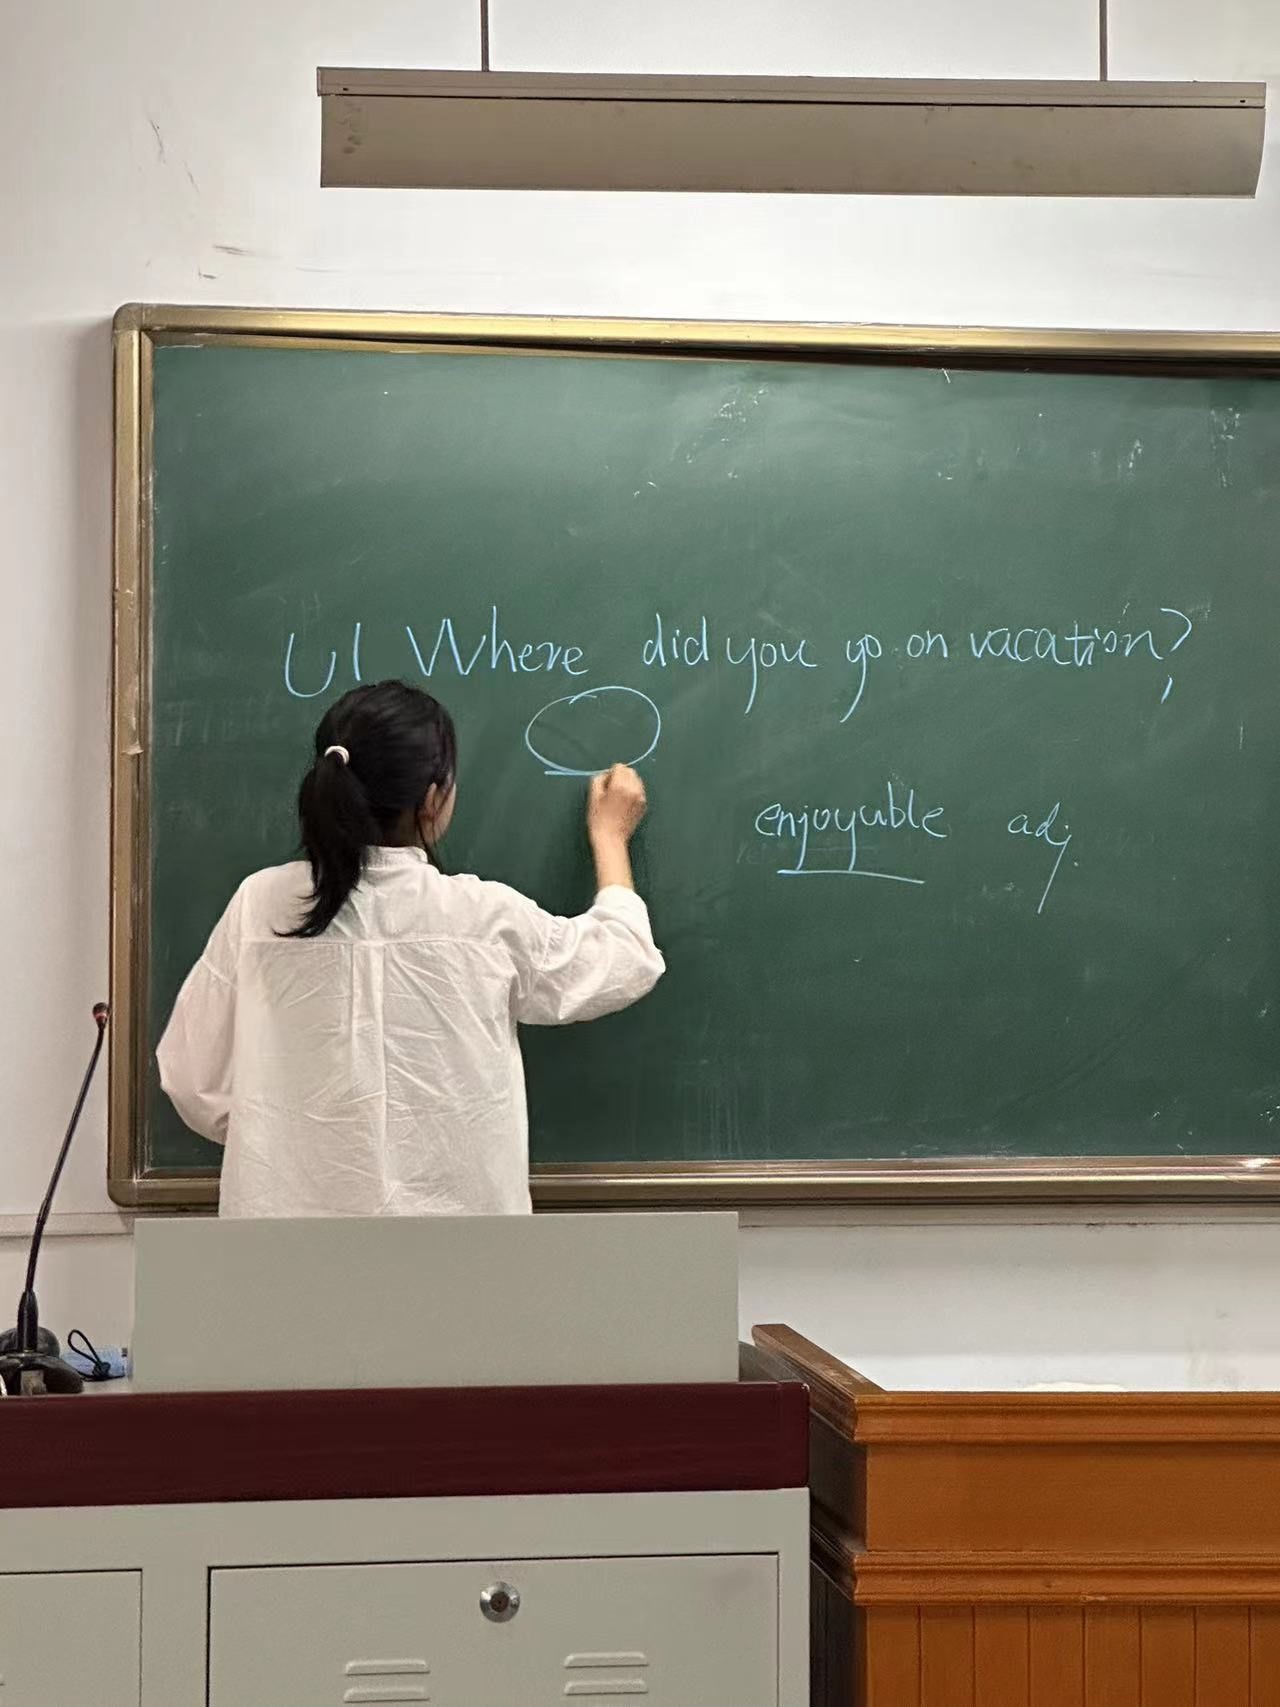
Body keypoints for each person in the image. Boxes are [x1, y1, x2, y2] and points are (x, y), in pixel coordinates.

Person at [157, 681, 664, 1218]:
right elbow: (622, 958)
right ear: (433, 799)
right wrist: (610, 838)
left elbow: (192, 1078)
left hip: (287, 1245)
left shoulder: (261, 905)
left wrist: (284, 1137)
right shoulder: (481, 916)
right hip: (460, 1246)